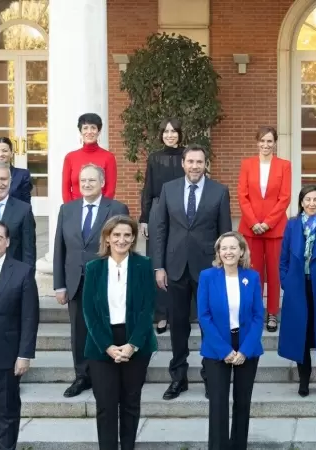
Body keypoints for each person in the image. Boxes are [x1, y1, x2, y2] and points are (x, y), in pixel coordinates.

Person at [152, 144, 232, 400]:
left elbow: (225, 234)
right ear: (183, 164)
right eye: (191, 162)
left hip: (209, 269)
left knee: (211, 324)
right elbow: (160, 229)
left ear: (205, 164)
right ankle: (178, 377)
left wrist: (224, 269)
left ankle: (211, 376)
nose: (195, 166)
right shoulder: (169, 189)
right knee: (177, 326)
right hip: (174, 269)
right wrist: (159, 266)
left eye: (199, 162)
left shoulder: (219, 192)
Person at [53, 164, 130, 398]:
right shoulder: (67, 209)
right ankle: (82, 376)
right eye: (83, 180)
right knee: (79, 331)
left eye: (92, 181)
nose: (86, 184)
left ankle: (107, 374)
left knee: (108, 327)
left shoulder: (116, 208)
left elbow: (124, 244)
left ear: (102, 183)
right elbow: (60, 248)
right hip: (75, 280)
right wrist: (60, 284)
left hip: (106, 280)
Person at [82, 215, 157, 450]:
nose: (121, 240)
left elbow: (148, 309)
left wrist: (132, 345)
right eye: (116, 235)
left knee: (130, 403)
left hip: (136, 340)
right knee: (105, 405)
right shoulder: (94, 268)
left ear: (133, 238)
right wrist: (107, 346)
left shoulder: (144, 265)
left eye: (126, 235)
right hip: (101, 343)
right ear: (107, 238)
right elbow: (89, 311)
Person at [198, 231, 264, 450]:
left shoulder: (252, 277)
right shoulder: (207, 277)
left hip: (247, 347)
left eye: (233, 247)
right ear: (218, 252)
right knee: (218, 405)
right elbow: (204, 316)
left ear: (242, 251)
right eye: (224, 248)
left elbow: (257, 317)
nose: (228, 252)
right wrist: (224, 350)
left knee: (242, 403)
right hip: (217, 348)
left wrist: (244, 350)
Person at [278, 185, 316, 397]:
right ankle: (303, 380)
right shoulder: (292, 225)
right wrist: (286, 281)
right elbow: (284, 258)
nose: (312, 203)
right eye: (307, 199)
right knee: (300, 333)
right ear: (301, 202)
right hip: (297, 286)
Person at [0, 220, 38, 450]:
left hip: (8, 355)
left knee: (8, 411)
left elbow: (29, 317)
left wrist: (25, 354)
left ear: (7, 242)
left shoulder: (23, 272)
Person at [237, 126, 292, 332]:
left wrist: (268, 222)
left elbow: (284, 197)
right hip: (251, 228)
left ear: (275, 143)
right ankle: (254, 311)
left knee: (275, 272)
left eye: (269, 141)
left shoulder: (284, 165)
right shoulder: (247, 164)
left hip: (275, 228)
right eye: (262, 141)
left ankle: (272, 313)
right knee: (253, 271)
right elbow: (242, 196)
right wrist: (253, 222)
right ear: (257, 142)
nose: (266, 145)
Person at [139, 118, 186, 334]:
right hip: (158, 211)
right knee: (158, 262)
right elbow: (147, 189)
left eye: (174, 131)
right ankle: (160, 314)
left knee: (178, 260)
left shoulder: (188, 157)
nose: (170, 135)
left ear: (180, 134)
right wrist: (144, 218)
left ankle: (179, 312)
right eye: (166, 131)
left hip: (182, 213)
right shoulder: (155, 158)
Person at [0, 162, 36, 267]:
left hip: (12, 275)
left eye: (3, 179)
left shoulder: (24, 210)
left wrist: (27, 279)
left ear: (10, 181)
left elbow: (28, 251)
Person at [61, 113, 117, 202]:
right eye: (85, 128)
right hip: (75, 210)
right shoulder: (70, 157)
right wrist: (70, 210)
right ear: (81, 131)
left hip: (100, 210)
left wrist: (101, 210)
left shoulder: (109, 157)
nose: (89, 132)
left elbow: (110, 190)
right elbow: (66, 191)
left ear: (99, 131)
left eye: (93, 128)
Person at [0, 137, 32, 203]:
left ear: (11, 153)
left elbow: (26, 203)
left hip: (15, 212)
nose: (0, 154)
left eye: (4, 151)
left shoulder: (23, 175)